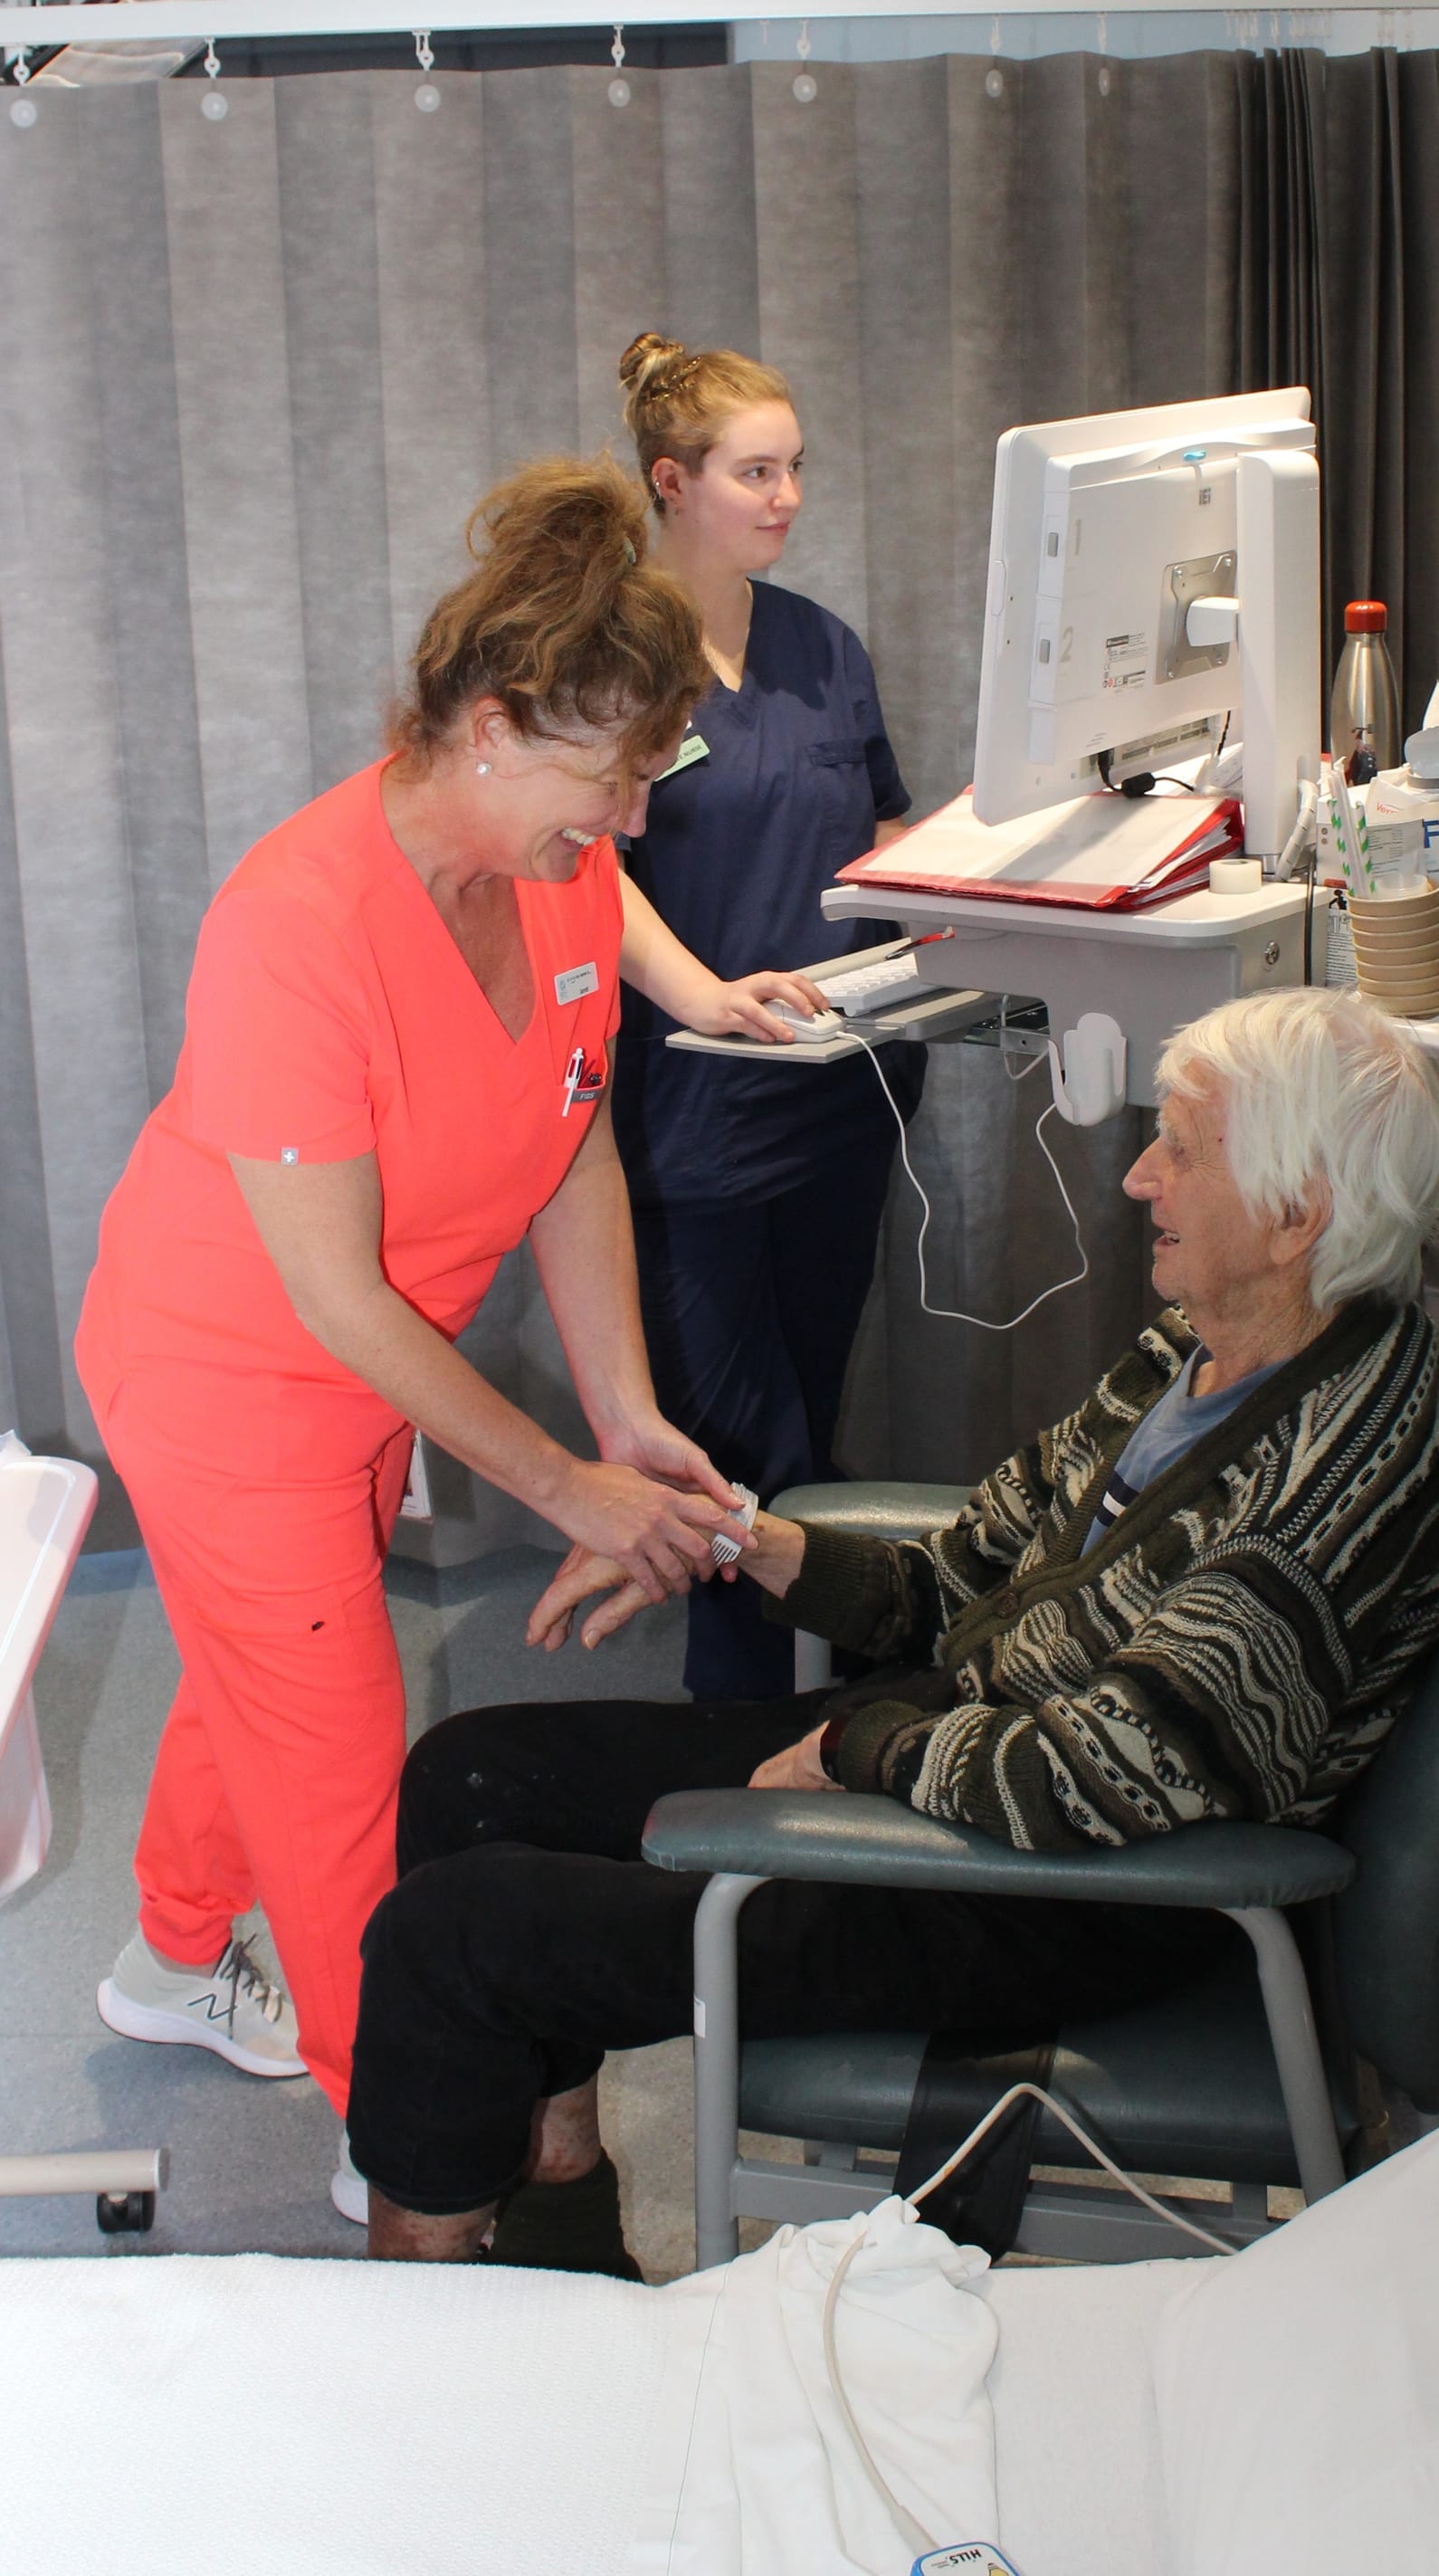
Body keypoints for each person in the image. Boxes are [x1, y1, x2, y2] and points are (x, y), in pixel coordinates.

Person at [344, 989, 1439, 2268]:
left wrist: (858, 1753)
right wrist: (737, 1538)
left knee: (450, 1942)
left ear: (1298, 1213)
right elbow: (970, 1564)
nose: (1136, 1177)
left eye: (1179, 1148)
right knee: (468, 1780)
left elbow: (1125, 1769)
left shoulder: (1353, 1469)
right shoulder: (1207, 1346)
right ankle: (558, 2221)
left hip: (1049, 1887)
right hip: (962, 1760)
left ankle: (426, 2354)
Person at [75, 455, 772, 2219]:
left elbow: (573, 1139)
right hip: (232, 1371)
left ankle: (167, 1956)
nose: (623, 827)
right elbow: (334, 1296)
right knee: (331, 1746)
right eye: (605, 781)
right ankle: (393, 2121)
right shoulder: (292, 926)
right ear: (486, 724)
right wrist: (559, 1487)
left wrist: (619, 1414)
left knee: (259, 1663)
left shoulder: (548, 880)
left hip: (371, 1362)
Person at [608, 331, 927, 1702]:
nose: (787, 496)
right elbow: (576, 866)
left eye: (795, 468)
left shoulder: (822, 649)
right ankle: (738, 1748)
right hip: (698, 1121)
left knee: (812, 1411)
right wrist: (702, 995)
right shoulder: (617, 656)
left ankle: (836, 1711)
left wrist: (954, 903)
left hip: (844, 1099)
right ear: (673, 481)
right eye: (755, 471)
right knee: (739, 1454)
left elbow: (885, 820)